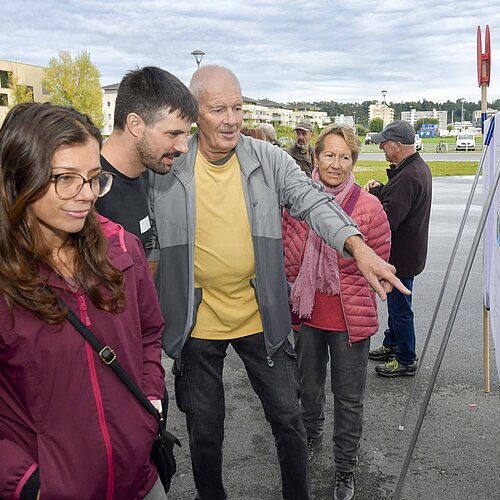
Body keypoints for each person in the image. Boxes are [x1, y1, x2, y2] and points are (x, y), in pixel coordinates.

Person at [148, 65, 408, 500]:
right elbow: (147, 243)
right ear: (196, 113)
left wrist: (358, 247)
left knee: (289, 421)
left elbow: (311, 200)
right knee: (205, 432)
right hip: (196, 325)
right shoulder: (168, 166)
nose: (231, 118)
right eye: (218, 109)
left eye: (237, 106)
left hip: (259, 317)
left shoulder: (267, 159)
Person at [0, 102, 167, 499]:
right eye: (65, 178)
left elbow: (149, 334)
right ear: (19, 177)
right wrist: (26, 483)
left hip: (141, 481)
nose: (87, 195)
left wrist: (149, 404)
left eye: (94, 178)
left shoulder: (123, 248)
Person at [282, 124, 390, 500]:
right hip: (307, 315)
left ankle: (345, 467)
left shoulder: (369, 206)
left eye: (345, 157)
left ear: (354, 161)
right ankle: (311, 436)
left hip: (350, 320)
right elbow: (286, 257)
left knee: (349, 398)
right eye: (329, 154)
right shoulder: (296, 201)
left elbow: (379, 260)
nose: (336, 164)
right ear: (315, 156)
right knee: (308, 390)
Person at [96, 66, 198, 250]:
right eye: (173, 133)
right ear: (135, 124)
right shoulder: (87, 191)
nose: (184, 148)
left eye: (186, 134)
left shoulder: (146, 175)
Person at [364, 120, 432, 377]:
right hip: (408, 251)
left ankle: (405, 358)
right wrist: (381, 189)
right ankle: (392, 343)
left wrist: (369, 200)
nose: (381, 146)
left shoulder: (409, 175)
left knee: (400, 308)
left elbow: (389, 218)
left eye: (384, 142)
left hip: (401, 256)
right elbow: (398, 202)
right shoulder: (413, 168)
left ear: (397, 145)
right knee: (397, 303)